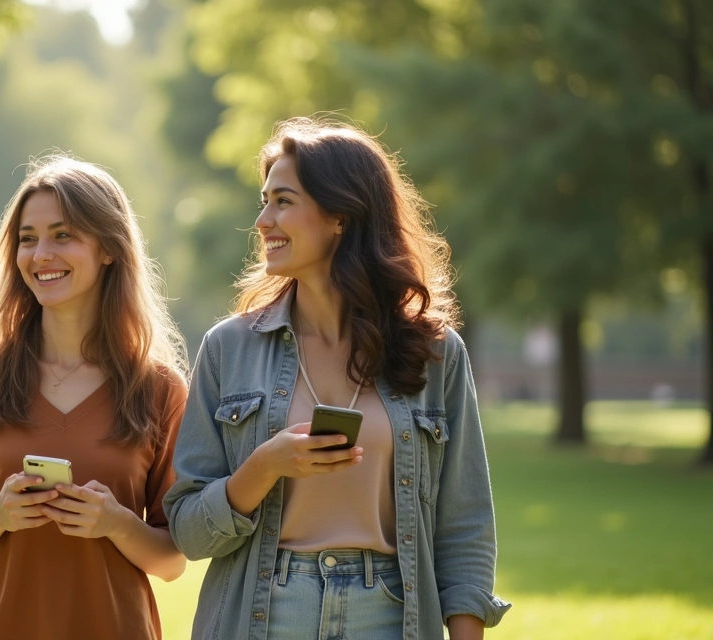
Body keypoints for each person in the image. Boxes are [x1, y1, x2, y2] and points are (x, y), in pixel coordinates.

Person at [164, 117, 511, 640]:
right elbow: (189, 531)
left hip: (390, 616)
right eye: (264, 200)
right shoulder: (227, 349)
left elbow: (464, 528)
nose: (262, 220)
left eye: (283, 201)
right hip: (263, 615)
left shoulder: (435, 353)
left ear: (340, 216)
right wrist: (263, 467)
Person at [0, 155, 188, 639]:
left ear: (109, 248)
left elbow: (172, 561)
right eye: (28, 238)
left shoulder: (160, 388)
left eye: (62, 235)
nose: (41, 253)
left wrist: (117, 524)